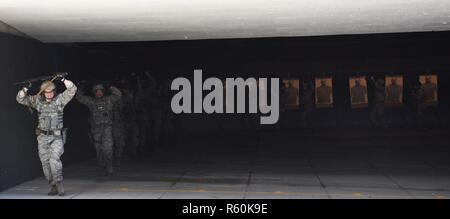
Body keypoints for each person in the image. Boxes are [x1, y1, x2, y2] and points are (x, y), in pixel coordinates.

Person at [16, 73, 77, 196]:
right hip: (42, 137)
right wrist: (25, 88)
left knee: (54, 161)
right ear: (43, 92)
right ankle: (53, 185)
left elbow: (72, 89)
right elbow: (20, 99)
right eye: (46, 92)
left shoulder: (60, 100)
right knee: (45, 164)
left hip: (56, 137)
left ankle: (59, 184)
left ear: (54, 91)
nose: (49, 94)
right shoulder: (37, 101)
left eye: (51, 91)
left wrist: (63, 80)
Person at [76, 83, 122, 175]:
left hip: (107, 129)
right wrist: (81, 88)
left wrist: (111, 87)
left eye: (101, 91)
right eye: (97, 91)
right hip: (96, 129)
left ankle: (109, 167)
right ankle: (102, 164)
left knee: (108, 148)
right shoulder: (91, 101)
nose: (99, 93)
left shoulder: (109, 100)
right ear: (94, 93)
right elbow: (79, 98)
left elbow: (118, 94)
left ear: (103, 92)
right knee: (98, 149)